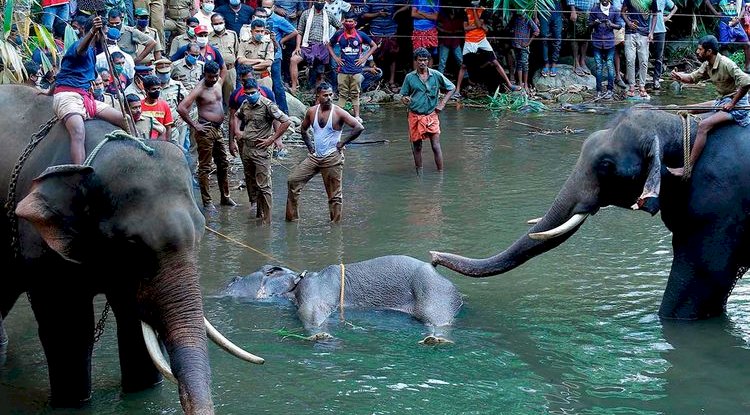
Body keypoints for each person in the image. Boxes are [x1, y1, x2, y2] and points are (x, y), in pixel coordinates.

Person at [49, 15, 129, 165]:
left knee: (124, 119)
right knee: (78, 132)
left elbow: (61, 74)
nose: (106, 37)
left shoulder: (93, 50)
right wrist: (92, 31)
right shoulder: (78, 45)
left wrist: (48, 93)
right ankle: (79, 172)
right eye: (104, 33)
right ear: (96, 33)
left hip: (86, 98)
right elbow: (81, 50)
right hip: (68, 97)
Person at [668, 35, 750, 177]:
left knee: (703, 125)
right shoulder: (707, 64)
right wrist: (679, 76)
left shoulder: (727, 64)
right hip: (721, 100)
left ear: (709, 51)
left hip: (737, 106)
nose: (697, 52)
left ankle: (688, 168)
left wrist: (733, 103)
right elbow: (693, 78)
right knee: (688, 108)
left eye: (700, 49)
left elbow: (747, 82)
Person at [285, 82, 363, 223]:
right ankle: (292, 219)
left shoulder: (338, 112)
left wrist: (342, 142)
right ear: (318, 96)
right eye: (325, 95)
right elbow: (303, 130)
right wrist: (310, 147)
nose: (329, 98)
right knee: (293, 181)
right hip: (315, 156)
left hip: (332, 157)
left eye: (330, 94)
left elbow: (358, 127)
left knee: (334, 195)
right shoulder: (312, 111)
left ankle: (335, 227)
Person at [177, 60, 237, 209]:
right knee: (205, 166)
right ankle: (208, 202)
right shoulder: (200, 88)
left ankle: (225, 197)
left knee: (223, 163)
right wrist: (195, 125)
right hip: (205, 129)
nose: (214, 79)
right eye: (210, 77)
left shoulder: (218, 82)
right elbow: (181, 108)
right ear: (205, 75)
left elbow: (224, 67)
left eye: (215, 76)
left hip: (218, 129)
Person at [232, 78, 291, 223]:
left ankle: (267, 220)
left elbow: (286, 121)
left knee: (264, 186)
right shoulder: (245, 104)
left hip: (262, 150)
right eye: (247, 93)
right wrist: (237, 132)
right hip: (247, 148)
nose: (250, 96)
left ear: (258, 91)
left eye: (253, 93)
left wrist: (272, 139)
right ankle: (258, 213)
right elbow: (236, 116)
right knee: (251, 182)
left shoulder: (268, 105)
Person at [400, 48, 454, 173]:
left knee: (435, 146)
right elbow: (403, 96)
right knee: (417, 147)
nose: (422, 63)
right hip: (415, 115)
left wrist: (442, 103)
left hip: (431, 115)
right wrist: (405, 99)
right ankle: (419, 173)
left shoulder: (436, 75)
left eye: (425, 60)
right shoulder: (409, 77)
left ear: (428, 61)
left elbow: (452, 88)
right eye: (420, 60)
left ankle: (440, 173)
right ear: (416, 61)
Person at [456, 3, 517, 96]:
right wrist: (480, 26)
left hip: (481, 40)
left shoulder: (483, 10)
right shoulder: (466, 10)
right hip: (469, 40)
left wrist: (475, 13)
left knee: (495, 62)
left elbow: (477, 23)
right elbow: (466, 28)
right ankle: (457, 90)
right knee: (464, 66)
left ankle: (509, 84)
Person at [327, 12, 377, 123]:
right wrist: (336, 58)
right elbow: (329, 45)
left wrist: (364, 58)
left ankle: (357, 116)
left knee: (355, 93)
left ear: (355, 23)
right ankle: (339, 117)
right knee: (343, 93)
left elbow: (374, 45)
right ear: (344, 22)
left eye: (351, 21)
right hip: (343, 69)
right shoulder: (339, 34)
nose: (349, 23)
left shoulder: (361, 35)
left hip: (356, 69)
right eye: (347, 21)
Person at [291, 1, 342, 91]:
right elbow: (300, 31)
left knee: (320, 73)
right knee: (294, 60)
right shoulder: (306, 13)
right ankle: (294, 87)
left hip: (322, 46)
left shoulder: (328, 15)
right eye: (318, 0)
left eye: (322, 1)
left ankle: (318, 93)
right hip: (307, 45)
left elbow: (340, 27)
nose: (320, 2)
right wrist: (298, 46)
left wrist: (332, 41)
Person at [363, 0, 408, 93]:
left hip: (391, 31)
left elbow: (408, 4)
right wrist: (378, 14)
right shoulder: (371, 0)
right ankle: (376, 81)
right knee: (375, 57)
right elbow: (364, 15)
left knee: (392, 56)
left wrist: (396, 12)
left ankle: (391, 81)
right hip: (376, 32)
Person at [262, 0, 298, 114]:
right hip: (260, 56)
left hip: (275, 56)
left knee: (277, 84)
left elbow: (294, 32)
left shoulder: (278, 19)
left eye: (268, 7)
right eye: (264, 7)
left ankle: (284, 111)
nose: (265, 9)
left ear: (273, 7)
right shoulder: (258, 17)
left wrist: (281, 40)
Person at [621, 0, 657, 98]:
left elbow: (655, 15)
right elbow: (623, 12)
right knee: (630, 60)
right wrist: (628, 23)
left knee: (644, 61)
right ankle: (632, 87)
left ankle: (642, 86)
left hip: (644, 33)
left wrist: (651, 33)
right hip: (630, 32)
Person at [589, 0, 622, 99]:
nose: (604, 0)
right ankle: (599, 91)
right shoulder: (594, 10)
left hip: (610, 42)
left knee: (609, 65)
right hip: (597, 41)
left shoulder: (614, 10)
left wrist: (611, 25)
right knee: (599, 66)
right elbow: (589, 24)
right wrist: (594, 23)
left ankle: (610, 90)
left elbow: (619, 25)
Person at [706, 0, 750, 72]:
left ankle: (747, 67)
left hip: (736, 22)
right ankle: (728, 69)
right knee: (724, 46)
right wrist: (715, 13)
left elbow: (743, 7)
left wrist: (739, 19)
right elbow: (707, 1)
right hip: (724, 23)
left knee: (747, 44)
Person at [154, 58, 188, 145]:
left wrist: (182, 117)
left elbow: (188, 102)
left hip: (174, 126)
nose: (164, 75)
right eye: (162, 73)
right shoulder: (152, 87)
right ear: (156, 72)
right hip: (157, 127)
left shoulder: (177, 85)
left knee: (177, 151)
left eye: (166, 73)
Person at [209, 12, 240, 105]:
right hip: (215, 71)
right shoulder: (208, 37)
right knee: (214, 94)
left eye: (220, 23)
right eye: (216, 24)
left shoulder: (232, 34)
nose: (218, 25)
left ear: (224, 22)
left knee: (231, 96)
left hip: (230, 69)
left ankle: (230, 116)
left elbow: (237, 51)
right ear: (212, 24)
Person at [238, 19, 275, 90]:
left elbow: (268, 62)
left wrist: (250, 67)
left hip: (263, 78)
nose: (260, 34)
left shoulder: (268, 43)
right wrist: (260, 60)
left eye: (262, 31)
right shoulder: (244, 43)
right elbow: (240, 60)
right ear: (251, 32)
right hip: (247, 78)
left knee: (266, 98)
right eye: (257, 31)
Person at [509, 12, 539, 93]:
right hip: (516, 45)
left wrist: (528, 43)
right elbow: (510, 28)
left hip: (524, 46)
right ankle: (520, 83)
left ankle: (525, 84)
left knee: (525, 64)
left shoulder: (527, 18)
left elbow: (536, 31)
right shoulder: (515, 18)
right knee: (519, 64)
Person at [140, 74, 175, 140]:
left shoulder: (164, 105)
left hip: (160, 141)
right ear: (146, 90)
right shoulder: (139, 105)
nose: (157, 91)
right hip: (145, 139)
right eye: (153, 89)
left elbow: (168, 128)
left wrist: (167, 144)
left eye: (158, 88)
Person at [651, 0, 676, 89]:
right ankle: (637, 78)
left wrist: (668, 16)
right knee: (642, 55)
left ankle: (656, 79)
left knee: (659, 56)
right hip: (645, 29)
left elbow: (674, 7)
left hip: (660, 29)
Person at [568, 0, 597, 75]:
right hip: (577, 11)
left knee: (586, 38)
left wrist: (594, 13)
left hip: (589, 12)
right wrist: (573, 11)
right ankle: (576, 63)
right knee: (575, 37)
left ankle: (582, 62)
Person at [436, 6, 464, 80]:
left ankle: (466, 78)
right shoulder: (443, 17)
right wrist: (444, 31)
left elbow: (463, 29)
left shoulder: (459, 18)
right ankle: (439, 79)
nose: (454, 10)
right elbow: (437, 26)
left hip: (455, 41)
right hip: (445, 40)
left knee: (460, 60)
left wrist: (456, 31)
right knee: (442, 61)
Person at [540, 0, 564, 77]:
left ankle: (554, 64)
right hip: (543, 9)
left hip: (557, 11)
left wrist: (562, 14)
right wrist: (535, 16)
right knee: (544, 38)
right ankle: (546, 64)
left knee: (557, 39)